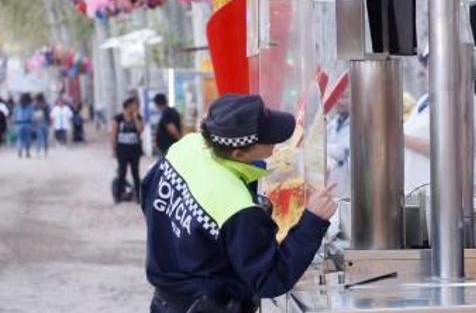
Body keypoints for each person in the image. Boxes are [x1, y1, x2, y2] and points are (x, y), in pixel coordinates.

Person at [141, 94, 336, 313]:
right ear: (239, 153)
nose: (276, 144)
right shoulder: (237, 209)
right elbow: (270, 278)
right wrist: (313, 220)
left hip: (165, 300)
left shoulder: (187, 147)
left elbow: (148, 194)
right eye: (269, 139)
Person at [403, 48, 476, 194]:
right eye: (430, 64)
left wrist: (401, 139)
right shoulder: (425, 100)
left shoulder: (465, 100)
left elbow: (453, 149)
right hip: (422, 195)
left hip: (451, 196)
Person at [111, 97, 144, 203]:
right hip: (122, 149)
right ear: (128, 106)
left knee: (135, 172)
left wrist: (135, 118)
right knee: (122, 171)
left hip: (134, 149)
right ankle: (118, 195)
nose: (136, 107)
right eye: (134, 105)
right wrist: (113, 149)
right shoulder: (118, 118)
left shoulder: (138, 117)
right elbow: (113, 134)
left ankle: (139, 196)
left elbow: (140, 130)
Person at [12, 93, 34, 158]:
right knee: (27, 139)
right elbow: (32, 116)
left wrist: (14, 124)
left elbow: (14, 116)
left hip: (18, 125)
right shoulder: (30, 106)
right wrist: (33, 124)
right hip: (27, 124)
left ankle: (19, 150)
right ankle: (27, 152)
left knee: (19, 139)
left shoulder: (17, 106)